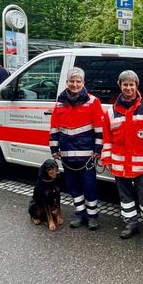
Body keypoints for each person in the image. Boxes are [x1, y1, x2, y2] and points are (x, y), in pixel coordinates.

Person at [101, 70, 143, 240]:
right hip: (119, 162)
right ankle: (131, 223)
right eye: (125, 84)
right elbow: (107, 138)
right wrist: (107, 158)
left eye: (131, 84)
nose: (128, 88)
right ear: (120, 86)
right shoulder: (111, 112)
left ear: (136, 86)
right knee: (125, 196)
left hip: (142, 163)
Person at [49, 67, 104, 231]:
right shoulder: (59, 102)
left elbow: (99, 128)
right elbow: (54, 127)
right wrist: (54, 149)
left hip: (87, 155)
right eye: (72, 81)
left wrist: (98, 149)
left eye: (78, 81)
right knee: (73, 186)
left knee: (89, 186)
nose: (75, 84)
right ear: (67, 82)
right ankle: (80, 213)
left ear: (83, 83)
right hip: (66, 153)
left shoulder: (93, 101)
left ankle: (92, 216)